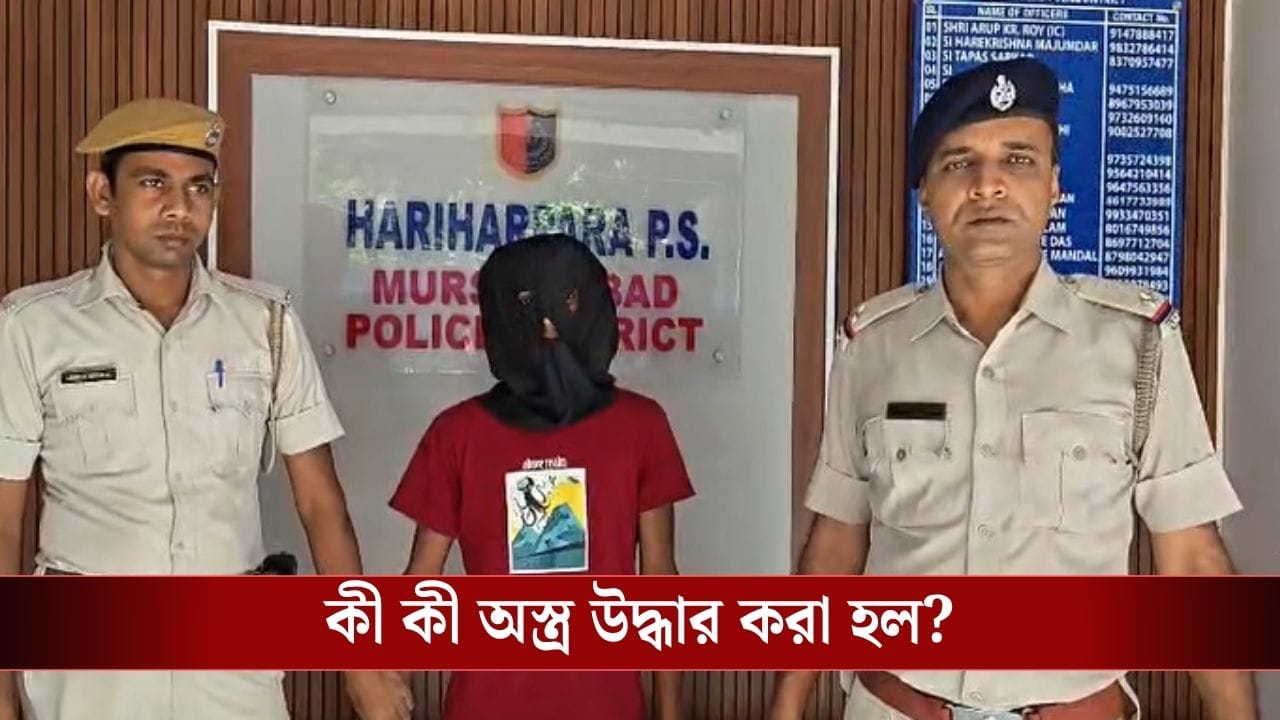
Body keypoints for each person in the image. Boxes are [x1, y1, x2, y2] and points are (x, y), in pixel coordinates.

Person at [768, 58, 1257, 720]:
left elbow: (1193, 564)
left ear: (1054, 186)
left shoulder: (1137, 345)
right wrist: (787, 707)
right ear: (925, 193)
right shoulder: (871, 347)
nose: (987, 185)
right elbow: (835, 548)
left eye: (1018, 160)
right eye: (958, 163)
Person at [0, 98, 410, 720]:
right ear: (102, 194)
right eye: (153, 183)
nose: (179, 208)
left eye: (199, 187)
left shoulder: (264, 322)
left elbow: (320, 504)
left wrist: (364, 664)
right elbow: (4, 521)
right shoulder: (32, 327)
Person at [389, 232, 694, 720]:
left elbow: (660, 583)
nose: (549, 327)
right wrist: (385, 694)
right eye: (529, 307)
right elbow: (420, 584)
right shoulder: (457, 433)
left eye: (566, 302)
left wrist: (671, 714)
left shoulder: (642, 426)